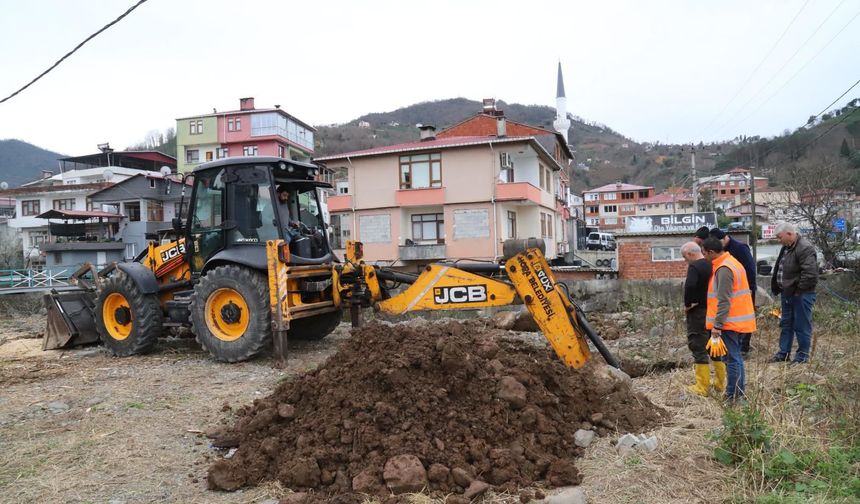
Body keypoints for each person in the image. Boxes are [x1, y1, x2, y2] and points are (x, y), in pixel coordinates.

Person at [702, 237, 757, 401]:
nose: (704, 257)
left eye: (705, 254)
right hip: (736, 319)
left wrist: (717, 326)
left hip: (729, 322)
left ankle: (734, 395)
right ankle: (736, 393)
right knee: (735, 358)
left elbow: (724, 300)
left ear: (712, 252)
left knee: (732, 359)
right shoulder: (731, 261)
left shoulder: (724, 268)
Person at [769, 222, 819, 363]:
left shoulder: (805, 248)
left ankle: (802, 357)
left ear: (789, 234)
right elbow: (781, 266)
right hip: (788, 293)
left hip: (801, 294)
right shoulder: (787, 247)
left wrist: (798, 291)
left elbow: (810, 274)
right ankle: (783, 353)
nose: (779, 241)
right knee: (786, 324)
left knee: (801, 325)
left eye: (780, 237)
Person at [681, 241, 725, 396]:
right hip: (713, 311)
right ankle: (720, 382)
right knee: (714, 346)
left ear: (690, 254)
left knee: (698, 345)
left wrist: (688, 304)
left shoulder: (695, 266)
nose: (686, 261)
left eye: (685, 258)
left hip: (698, 312)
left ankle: (702, 386)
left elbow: (690, 286)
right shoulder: (712, 264)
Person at [710, 227, 757, 356]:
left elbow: (750, 269)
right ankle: (734, 346)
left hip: (743, 291)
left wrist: (750, 289)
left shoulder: (740, 248)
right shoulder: (723, 250)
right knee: (731, 320)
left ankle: (743, 348)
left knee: (743, 319)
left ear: (724, 238)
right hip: (730, 290)